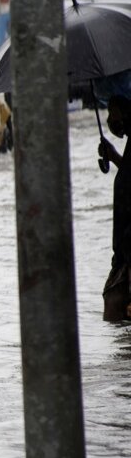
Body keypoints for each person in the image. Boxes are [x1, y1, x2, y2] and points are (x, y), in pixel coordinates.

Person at [98, 91, 131, 321]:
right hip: (122, 251)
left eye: (113, 111)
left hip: (128, 249)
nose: (110, 119)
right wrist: (114, 156)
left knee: (115, 310)